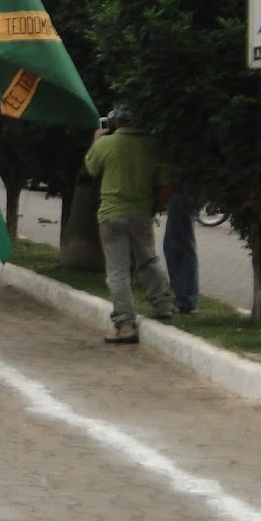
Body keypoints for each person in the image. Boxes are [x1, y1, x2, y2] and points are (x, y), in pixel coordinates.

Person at [83, 103, 176, 344]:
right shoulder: (152, 145)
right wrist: (155, 205)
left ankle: (125, 324)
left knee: (117, 270)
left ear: (116, 122)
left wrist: (96, 140)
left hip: (111, 214)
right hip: (141, 212)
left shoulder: (106, 143)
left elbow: (91, 169)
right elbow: (166, 184)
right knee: (148, 259)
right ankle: (163, 305)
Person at [161, 190, 199, 315]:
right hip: (181, 194)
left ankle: (186, 300)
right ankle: (184, 297)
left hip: (181, 192)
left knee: (179, 247)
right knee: (174, 246)